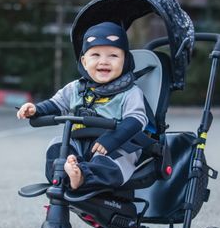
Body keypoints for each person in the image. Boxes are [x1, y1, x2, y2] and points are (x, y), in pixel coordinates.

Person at [17, 22, 153, 192]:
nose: (104, 61)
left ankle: (81, 177)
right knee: (57, 145)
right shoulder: (76, 88)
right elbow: (56, 103)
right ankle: (63, 177)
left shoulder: (130, 92)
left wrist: (112, 140)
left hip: (114, 144)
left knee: (113, 164)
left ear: (125, 59)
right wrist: (36, 109)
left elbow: (137, 119)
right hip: (79, 142)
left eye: (113, 56)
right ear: (84, 60)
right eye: (95, 55)